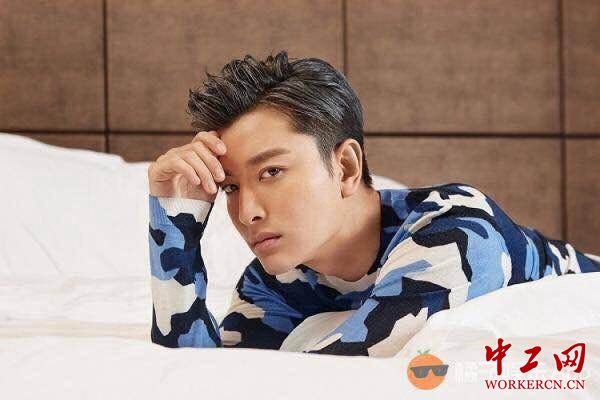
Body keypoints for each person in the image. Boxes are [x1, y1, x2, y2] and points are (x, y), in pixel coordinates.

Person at [147, 51, 600, 357]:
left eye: (271, 172)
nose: (247, 213)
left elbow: (351, 363)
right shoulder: (275, 281)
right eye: (230, 187)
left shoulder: (455, 231)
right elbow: (204, 372)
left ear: (345, 166)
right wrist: (175, 221)